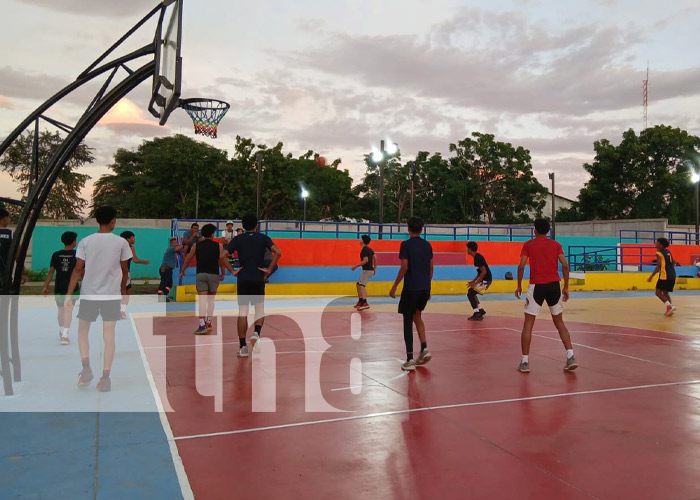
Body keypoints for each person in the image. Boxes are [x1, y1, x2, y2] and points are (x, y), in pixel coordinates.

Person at [64, 206, 132, 392]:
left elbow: (77, 270)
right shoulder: (121, 243)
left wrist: (69, 295)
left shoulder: (85, 242)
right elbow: (125, 271)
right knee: (109, 336)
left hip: (89, 294)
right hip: (111, 295)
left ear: (97, 220)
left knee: (82, 332)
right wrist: (123, 291)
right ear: (113, 221)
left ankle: (86, 367)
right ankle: (105, 378)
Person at [515, 218, 577, 373]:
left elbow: (521, 265)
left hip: (537, 285)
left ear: (535, 230)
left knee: (529, 323)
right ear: (548, 231)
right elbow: (565, 265)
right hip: (554, 285)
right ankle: (571, 357)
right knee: (559, 322)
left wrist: (519, 285)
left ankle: (525, 361)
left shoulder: (529, 245)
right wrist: (566, 287)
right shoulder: (556, 245)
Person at [225, 214, 282, 357]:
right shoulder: (263, 238)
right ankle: (256, 332)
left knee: (243, 312)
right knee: (259, 309)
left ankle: (243, 346)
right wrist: (269, 270)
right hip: (258, 277)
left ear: (243, 226)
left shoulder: (238, 239)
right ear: (256, 225)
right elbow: (278, 252)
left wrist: (232, 271)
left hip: (243, 278)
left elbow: (222, 255)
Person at [389, 217, 433, 372]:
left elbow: (404, 267)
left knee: (407, 321)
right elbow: (430, 268)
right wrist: (428, 287)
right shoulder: (427, 245)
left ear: (408, 229)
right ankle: (424, 348)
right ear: (421, 229)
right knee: (417, 315)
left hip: (411, 288)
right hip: (424, 287)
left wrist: (394, 286)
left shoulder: (405, 245)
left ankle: (410, 359)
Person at [180, 224, 235, 334]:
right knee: (210, 300)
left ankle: (201, 325)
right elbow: (222, 260)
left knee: (202, 300)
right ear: (212, 234)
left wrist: (182, 271)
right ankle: (208, 321)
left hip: (201, 274)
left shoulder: (196, 245)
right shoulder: (218, 245)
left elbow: (188, 259)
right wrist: (223, 273)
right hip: (213, 275)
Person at [42, 231, 80, 345]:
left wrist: (45, 286)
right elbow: (81, 272)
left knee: (61, 310)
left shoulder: (56, 254)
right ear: (74, 242)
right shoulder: (77, 255)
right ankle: (65, 335)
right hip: (72, 287)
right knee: (69, 310)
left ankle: (61, 330)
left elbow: (51, 272)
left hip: (59, 287)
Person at [119, 231, 150, 318]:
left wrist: (142, 262)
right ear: (128, 239)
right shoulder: (119, 248)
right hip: (118, 272)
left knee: (127, 291)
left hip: (126, 272)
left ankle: (122, 310)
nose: (134, 239)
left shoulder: (131, 248)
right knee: (122, 292)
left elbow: (135, 260)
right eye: (133, 237)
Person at [647, 237, 676, 316]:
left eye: (657, 242)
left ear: (660, 244)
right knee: (665, 292)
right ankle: (670, 308)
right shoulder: (668, 251)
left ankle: (669, 306)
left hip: (664, 275)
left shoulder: (658, 253)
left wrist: (651, 276)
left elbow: (658, 266)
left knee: (658, 292)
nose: (655, 243)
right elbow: (674, 262)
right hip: (672, 274)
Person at [466, 241, 492, 321]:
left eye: (467, 248)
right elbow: (479, 272)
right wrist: (473, 281)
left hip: (486, 280)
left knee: (470, 293)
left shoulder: (478, 258)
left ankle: (477, 313)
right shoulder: (476, 257)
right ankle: (480, 310)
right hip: (484, 279)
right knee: (472, 292)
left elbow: (484, 272)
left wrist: (476, 283)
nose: (466, 250)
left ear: (470, 249)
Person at [351, 235, 377, 310]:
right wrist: (375, 268)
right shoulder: (369, 249)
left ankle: (365, 303)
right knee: (358, 284)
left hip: (367, 270)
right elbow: (375, 257)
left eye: (361, 239)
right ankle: (361, 301)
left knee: (361, 285)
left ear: (363, 241)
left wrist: (355, 266)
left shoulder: (364, 250)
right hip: (369, 270)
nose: (359, 239)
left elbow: (365, 260)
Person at [158, 237, 182, 301]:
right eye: (175, 243)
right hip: (165, 269)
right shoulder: (170, 249)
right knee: (164, 283)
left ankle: (165, 294)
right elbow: (179, 247)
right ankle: (160, 296)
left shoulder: (173, 252)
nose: (176, 244)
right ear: (171, 244)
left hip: (169, 270)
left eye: (177, 243)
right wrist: (182, 244)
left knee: (169, 284)